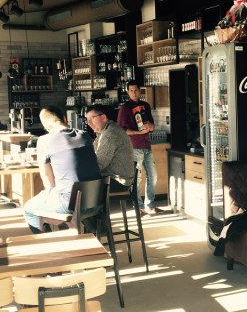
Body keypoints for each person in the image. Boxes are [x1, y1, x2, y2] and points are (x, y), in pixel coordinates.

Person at [22, 106, 101, 234]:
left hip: (70, 205)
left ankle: (51, 247)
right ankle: (82, 233)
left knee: (29, 209)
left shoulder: (44, 140)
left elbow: (48, 181)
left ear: (45, 125)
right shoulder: (84, 135)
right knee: (63, 195)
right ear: (65, 119)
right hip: (96, 200)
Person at [117, 80, 160, 214]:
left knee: (153, 176)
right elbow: (122, 130)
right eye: (131, 90)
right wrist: (137, 132)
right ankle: (139, 207)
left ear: (140, 91)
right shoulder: (124, 108)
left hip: (147, 145)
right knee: (137, 178)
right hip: (134, 146)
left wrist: (150, 127)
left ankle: (150, 205)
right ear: (127, 91)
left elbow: (152, 125)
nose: (134, 93)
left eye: (136, 90)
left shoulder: (145, 105)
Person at [85, 105, 135, 186]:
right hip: (115, 178)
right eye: (87, 120)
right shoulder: (104, 131)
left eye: (92, 118)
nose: (89, 123)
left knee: (81, 185)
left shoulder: (110, 134)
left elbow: (99, 165)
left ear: (103, 118)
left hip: (119, 181)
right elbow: (93, 155)